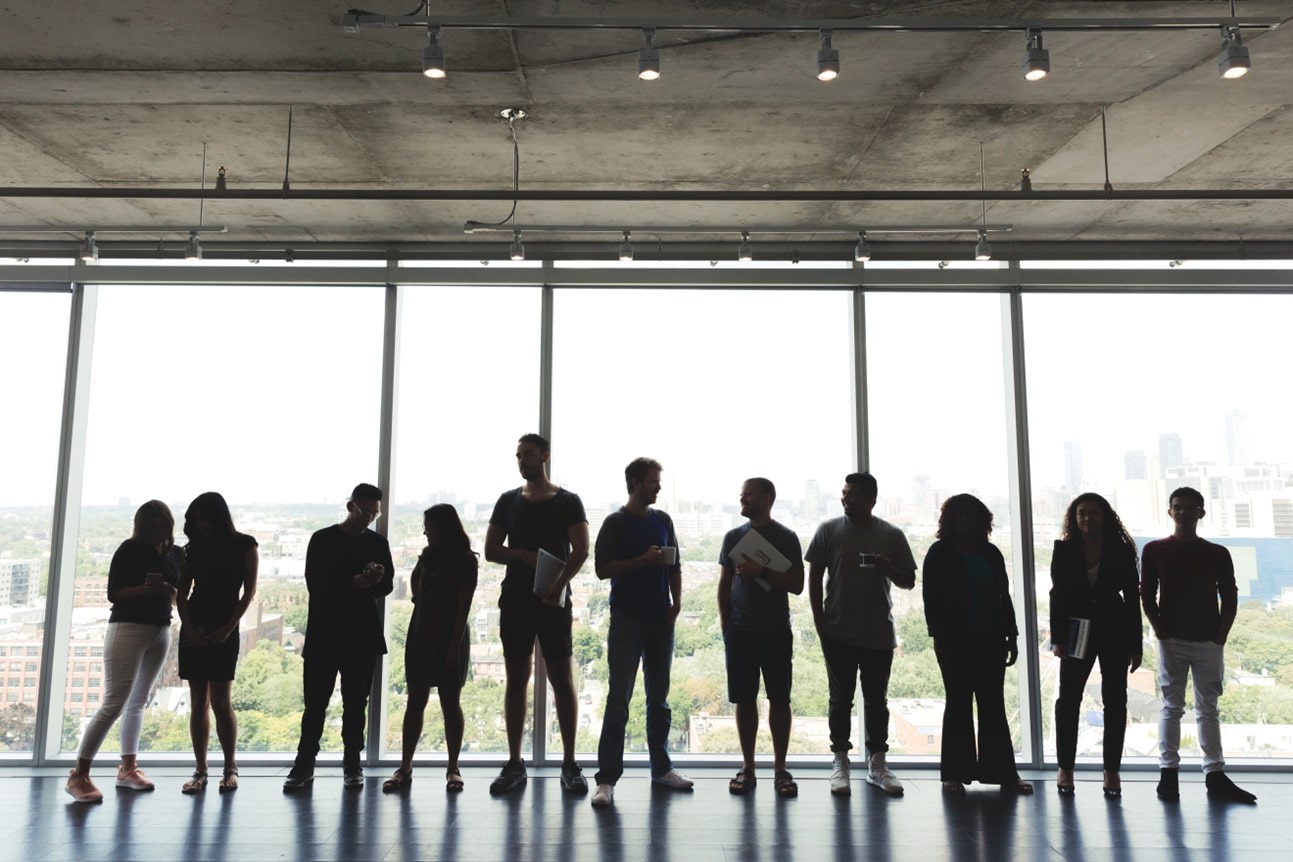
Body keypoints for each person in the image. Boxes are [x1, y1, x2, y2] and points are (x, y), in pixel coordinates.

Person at [484, 433, 590, 795]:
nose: (521, 461)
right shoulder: (507, 501)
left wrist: (558, 585)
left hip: (554, 600)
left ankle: (570, 763)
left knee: (562, 679)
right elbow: (491, 550)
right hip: (516, 598)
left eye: (527, 455)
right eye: (518, 456)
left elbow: (581, 550)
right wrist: (525, 556)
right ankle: (515, 763)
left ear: (544, 456)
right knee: (516, 678)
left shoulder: (568, 501)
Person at [1142, 486, 1256, 803]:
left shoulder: (1217, 553)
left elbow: (1230, 596)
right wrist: (1161, 631)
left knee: (1208, 709)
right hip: (1172, 640)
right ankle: (1169, 775)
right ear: (1169, 511)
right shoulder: (1154, 550)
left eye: (1189, 507)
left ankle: (1214, 775)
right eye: (1177, 506)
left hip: (1209, 639)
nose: (1183, 512)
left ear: (1201, 513)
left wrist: (1221, 635)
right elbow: (1146, 595)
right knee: (1172, 707)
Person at [590, 458, 693, 808]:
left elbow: (675, 564)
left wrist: (676, 604)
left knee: (659, 701)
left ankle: (661, 769)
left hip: (660, 621)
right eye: (652, 482)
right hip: (627, 620)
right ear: (635, 483)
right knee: (619, 699)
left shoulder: (663, 520)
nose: (658, 487)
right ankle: (606, 779)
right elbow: (602, 569)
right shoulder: (615, 523)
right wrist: (641, 561)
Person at [806, 472, 915, 797]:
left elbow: (908, 580)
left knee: (876, 701)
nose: (845, 498)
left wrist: (890, 570)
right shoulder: (828, 530)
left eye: (852, 494)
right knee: (840, 700)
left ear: (871, 499)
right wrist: (819, 620)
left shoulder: (891, 535)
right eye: (844, 493)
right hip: (837, 631)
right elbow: (813, 576)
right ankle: (840, 763)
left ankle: (877, 765)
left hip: (878, 633)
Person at [65, 500, 182, 803]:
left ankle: (128, 768)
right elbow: (113, 593)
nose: (161, 528)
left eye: (165, 522)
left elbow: (179, 597)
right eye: (155, 523)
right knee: (115, 702)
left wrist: (167, 590)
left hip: (161, 629)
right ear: (143, 525)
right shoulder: (128, 550)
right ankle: (79, 775)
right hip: (128, 628)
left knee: (139, 701)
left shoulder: (174, 553)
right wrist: (145, 589)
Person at [283, 483, 394, 792]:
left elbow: (387, 586)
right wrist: (358, 582)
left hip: (358, 634)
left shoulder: (377, 543)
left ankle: (350, 762)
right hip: (326, 633)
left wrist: (373, 581)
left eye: (374, 514)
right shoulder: (322, 539)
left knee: (356, 703)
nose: (369, 518)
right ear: (350, 507)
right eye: (365, 512)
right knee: (315, 703)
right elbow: (315, 585)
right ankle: (306, 762)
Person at [922, 494, 1032, 795]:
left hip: (991, 639)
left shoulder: (991, 553)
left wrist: (1012, 635)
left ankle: (1004, 774)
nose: (967, 521)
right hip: (954, 642)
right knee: (958, 704)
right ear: (951, 521)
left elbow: (1003, 596)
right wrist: (939, 640)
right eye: (961, 516)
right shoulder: (939, 553)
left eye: (972, 516)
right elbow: (931, 601)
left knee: (993, 705)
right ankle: (954, 775)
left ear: (983, 520)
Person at [1049, 492, 1142, 797]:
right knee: (1068, 701)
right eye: (1082, 513)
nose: (1088, 518)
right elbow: (1057, 594)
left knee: (1115, 701)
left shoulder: (1122, 549)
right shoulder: (1063, 549)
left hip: (1114, 628)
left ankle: (1111, 772)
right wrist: (1058, 637)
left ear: (1105, 516)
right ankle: (1065, 768)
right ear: (1074, 519)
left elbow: (1131, 598)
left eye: (1094, 512)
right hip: (1076, 629)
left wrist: (1135, 644)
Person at [718, 477, 804, 798]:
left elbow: (797, 584)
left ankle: (780, 768)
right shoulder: (732, 538)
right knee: (744, 699)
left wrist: (763, 572)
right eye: (742, 495)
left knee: (780, 699)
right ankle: (748, 766)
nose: (742, 499)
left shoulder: (787, 537)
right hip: (740, 630)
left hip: (775, 630)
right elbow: (724, 584)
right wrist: (726, 625)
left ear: (766, 499)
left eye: (748, 495)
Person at [383, 504, 478, 794]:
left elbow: (464, 606)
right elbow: (415, 583)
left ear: (442, 528)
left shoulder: (465, 560)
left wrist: (454, 647)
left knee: (450, 702)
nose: (425, 531)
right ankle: (405, 766)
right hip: (423, 634)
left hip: (449, 637)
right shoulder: (429, 556)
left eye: (429, 526)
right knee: (416, 701)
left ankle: (453, 768)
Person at [176, 491, 259, 794]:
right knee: (198, 701)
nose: (200, 525)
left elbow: (248, 593)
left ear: (217, 518)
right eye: (196, 521)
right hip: (195, 625)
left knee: (221, 702)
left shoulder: (245, 545)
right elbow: (182, 593)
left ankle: (230, 767)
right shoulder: (191, 550)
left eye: (204, 519)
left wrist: (227, 629)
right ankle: (200, 769)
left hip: (225, 624)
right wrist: (189, 629)